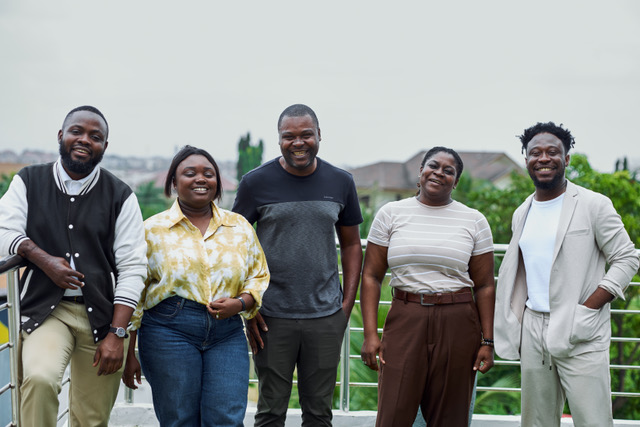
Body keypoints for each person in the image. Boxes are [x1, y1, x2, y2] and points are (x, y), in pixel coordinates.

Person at [0, 106, 147, 427]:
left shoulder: (121, 195)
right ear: (61, 136)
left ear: (104, 147)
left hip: (104, 318)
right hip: (46, 311)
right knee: (39, 379)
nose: (84, 140)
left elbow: (133, 267)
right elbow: (4, 232)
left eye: (96, 137)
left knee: (91, 419)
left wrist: (117, 334)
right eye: (76, 131)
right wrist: (43, 259)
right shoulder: (28, 180)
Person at [494, 122, 639, 427]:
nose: (543, 158)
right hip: (533, 328)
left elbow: (627, 257)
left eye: (552, 152)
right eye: (535, 152)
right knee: (537, 421)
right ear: (526, 159)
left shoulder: (593, 205)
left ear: (567, 158)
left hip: (581, 329)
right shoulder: (523, 211)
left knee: (593, 420)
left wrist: (589, 306)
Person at [232, 104, 363, 426]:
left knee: (319, 413)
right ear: (279, 140)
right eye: (289, 136)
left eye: (306, 134)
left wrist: (345, 306)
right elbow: (236, 246)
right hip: (270, 316)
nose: (298, 142)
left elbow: (351, 245)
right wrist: (249, 307)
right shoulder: (255, 183)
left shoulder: (341, 181)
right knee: (270, 411)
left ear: (320, 136)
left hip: (325, 317)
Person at [121, 145, 269, 426]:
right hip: (168, 331)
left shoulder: (239, 227)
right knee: (179, 419)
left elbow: (258, 276)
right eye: (190, 173)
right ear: (174, 183)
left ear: (217, 183)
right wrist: (130, 352)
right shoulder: (152, 230)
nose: (201, 179)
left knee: (226, 418)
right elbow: (136, 293)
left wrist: (240, 304)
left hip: (226, 334)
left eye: (209, 174)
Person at [360, 146, 495, 427]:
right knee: (392, 414)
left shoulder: (474, 220)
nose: (439, 173)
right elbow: (371, 275)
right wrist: (370, 335)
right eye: (433, 166)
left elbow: (484, 286)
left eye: (449, 171)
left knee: (450, 418)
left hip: (457, 321)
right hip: (406, 318)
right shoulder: (391, 213)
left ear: (456, 181)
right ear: (421, 171)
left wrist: (487, 341)